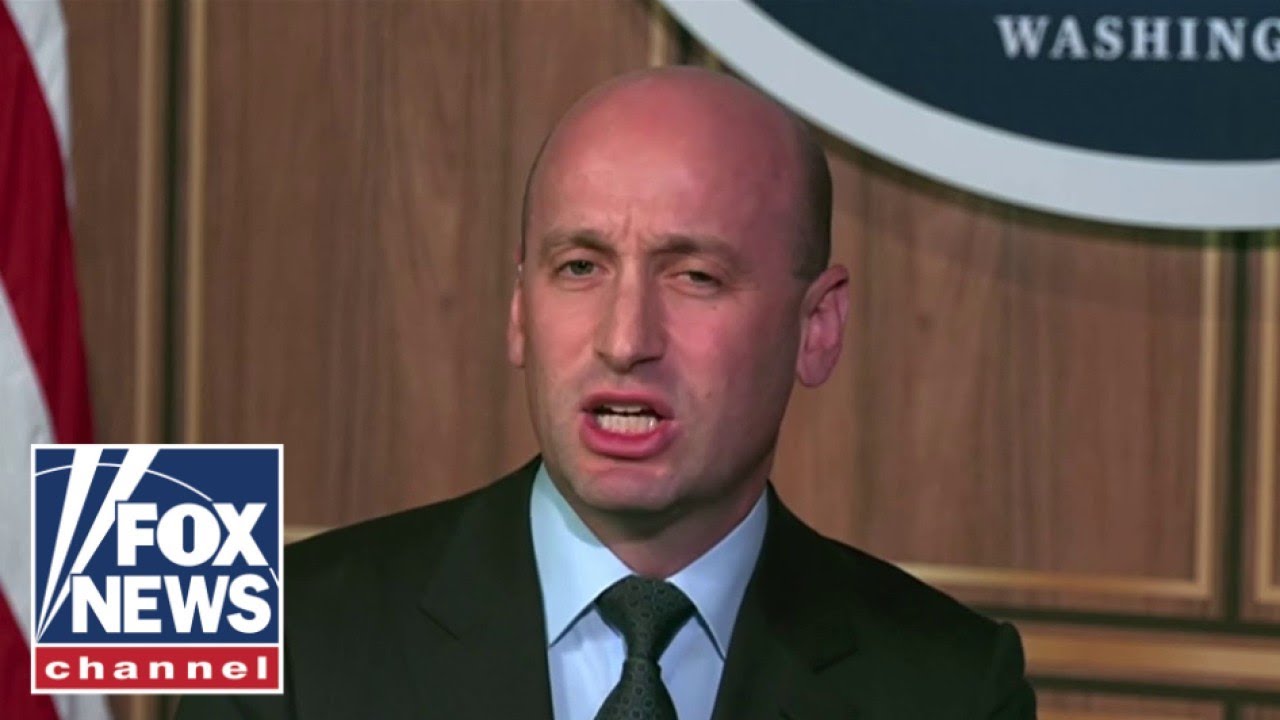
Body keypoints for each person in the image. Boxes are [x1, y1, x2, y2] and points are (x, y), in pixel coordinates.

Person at [176, 66, 1036, 720]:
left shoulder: (951, 688)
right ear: (520, 310)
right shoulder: (286, 637)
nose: (626, 340)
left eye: (695, 276)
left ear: (817, 328)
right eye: (581, 267)